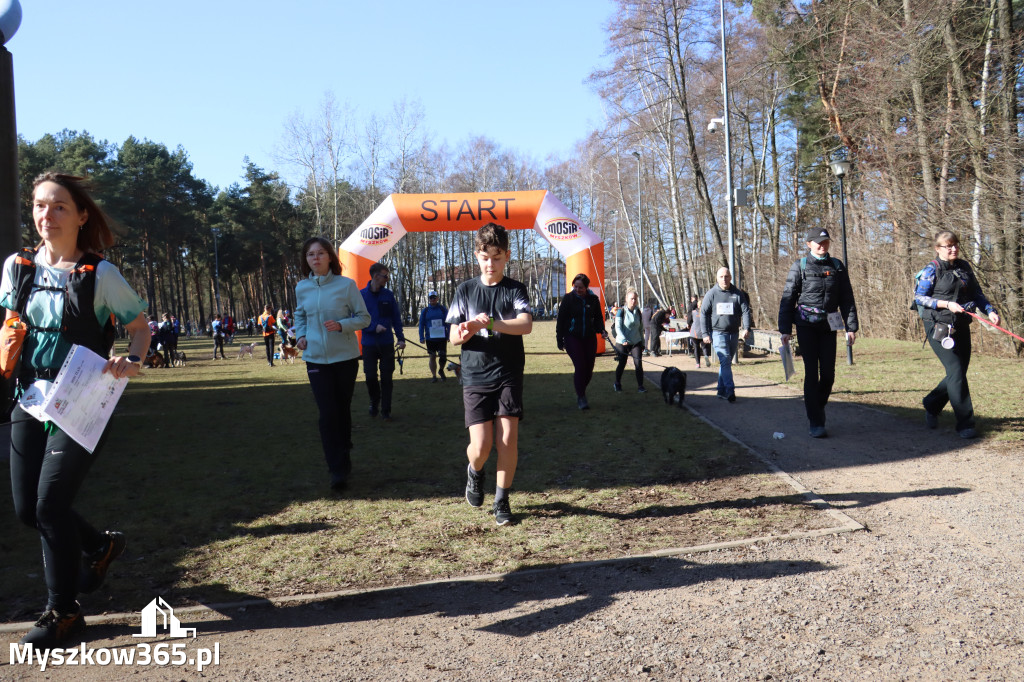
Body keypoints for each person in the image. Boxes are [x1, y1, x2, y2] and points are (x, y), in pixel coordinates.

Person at [1, 172, 149, 649]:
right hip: (30, 397)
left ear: (82, 215)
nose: (47, 215)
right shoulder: (17, 267)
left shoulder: (100, 274)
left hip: (83, 399)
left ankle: (63, 612)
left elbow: (140, 327)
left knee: (49, 505)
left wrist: (133, 360)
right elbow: (11, 320)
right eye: (40, 205)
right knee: (28, 509)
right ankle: (100, 545)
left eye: (59, 206)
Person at [447, 222, 533, 526]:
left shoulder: (515, 289)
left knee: (507, 439)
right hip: (474, 375)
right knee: (481, 446)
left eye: (497, 258)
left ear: (506, 256)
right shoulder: (465, 290)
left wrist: (492, 324)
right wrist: (468, 329)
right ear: (477, 256)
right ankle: (475, 471)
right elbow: (454, 338)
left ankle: (501, 499)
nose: (490, 264)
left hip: (508, 372)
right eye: (485, 258)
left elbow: (525, 325)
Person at [294, 237, 371, 490]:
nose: (315, 258)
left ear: (330, 257)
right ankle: (336, 469)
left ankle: (344, 448)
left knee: (341, 409)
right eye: (310, 254)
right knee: (327, 413)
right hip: (315, 359)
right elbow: (300, 315)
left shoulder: (346, 285)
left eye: (320, 253)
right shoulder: (302, 287)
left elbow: (364, 318)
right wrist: (301, 335)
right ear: (306, 260)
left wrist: (341, 325)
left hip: (345, 358)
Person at [913, 231, 999, 439]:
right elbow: (919, 298)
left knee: (958, 372)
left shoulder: (964, 267)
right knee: (956, 370)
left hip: (960, 325)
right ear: (938, 249)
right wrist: (946, 304)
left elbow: (977, 293)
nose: (953, 249)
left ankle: (932, 403)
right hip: (938, 326)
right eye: (948, 246)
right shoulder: (931, 269)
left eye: (956, 245)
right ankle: (965, 424)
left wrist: (990, 310)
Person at [778, 228, 859, 438]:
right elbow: (788, 298)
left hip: (829, 325)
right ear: (809, 244)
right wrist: (785, 329)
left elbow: (847, 298)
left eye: (825, 242)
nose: (823, 246)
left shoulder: (837, 266)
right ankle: (815, 421)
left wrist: (851, 327)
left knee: (829, 375)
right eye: (818, 242)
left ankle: (817, 405)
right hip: (806, 326)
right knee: (812, 373)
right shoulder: (800, 266)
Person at [555, 273, 608, 409]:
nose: (577, 290)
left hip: (589, 337)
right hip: (572, 337)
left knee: (589, 369)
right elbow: (561, 320)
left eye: (581, 287)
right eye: (575, 287)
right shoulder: (568, 299)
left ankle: (580, 390)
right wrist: (559, 338)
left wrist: (601, 330)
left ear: (586, 287)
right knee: (580, 366)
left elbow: (598, 318)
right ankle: (581, 397)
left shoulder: (593, 299)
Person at [360, 262, 406, 420]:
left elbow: (396, 318)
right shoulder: (361, 296)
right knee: (370, 377)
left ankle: (386, 410)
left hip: (387, 344)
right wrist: (373, 327)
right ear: (375, 276)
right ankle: (374, 401)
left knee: (387, 378)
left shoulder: (388, 295)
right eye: (385, 276)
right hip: (369, 344)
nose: (387, 279)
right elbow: (356, 319)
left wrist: (400, 338)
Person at [701, 267, 752, 403]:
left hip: (734, 333)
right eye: (721, 277)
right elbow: (703, 313)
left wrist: (746, 328)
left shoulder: (737, 294)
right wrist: (705, 333)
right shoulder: (711, 294)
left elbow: (745, 311)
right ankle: (730, 390)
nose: (724, 279)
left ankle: (721, 390)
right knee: (725, 360)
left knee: (726, 363)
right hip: (718, 333)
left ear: (730, 277)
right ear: (717, 278)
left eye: (727, 276)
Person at [611, 288, 647, 393]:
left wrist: (643, 343)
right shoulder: (621, 312)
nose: (633, 301)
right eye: (631, 299)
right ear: (626, 299)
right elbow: (618, 328)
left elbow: (640, 329)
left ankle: (640, 386)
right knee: (622, 363)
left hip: (636, 341)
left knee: (638, 363)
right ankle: (617, 383)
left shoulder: (638, 312)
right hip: (622, 342)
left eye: (635, 299)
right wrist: (623, 339)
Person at [418, 290, 449, 383]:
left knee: (443, 356)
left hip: (442, 337)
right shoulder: (425, 311)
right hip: (430, 338)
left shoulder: (443, 309)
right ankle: (434, 376)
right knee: (432, 357)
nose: (432, 299)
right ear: (429, 299)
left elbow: (448, 323)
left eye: (434, 297)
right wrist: (421, 337)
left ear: (437, 298)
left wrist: (449, 335)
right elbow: (421, 324)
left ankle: (441, 370)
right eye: (431, 298)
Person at [689, 303, 710, 368]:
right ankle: (706, 355)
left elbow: (689, 321)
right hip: (704, 332)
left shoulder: (693, 312)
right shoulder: (707, 312)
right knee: (704, 347)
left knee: (696, 348)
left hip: (695, 332)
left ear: (698, 305)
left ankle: (698, 363)